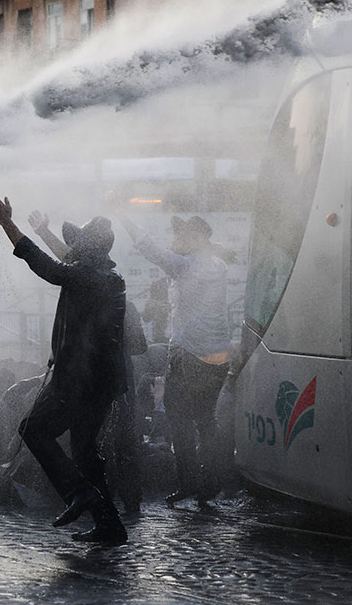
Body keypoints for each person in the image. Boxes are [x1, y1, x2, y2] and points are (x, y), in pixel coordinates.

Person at [0, 191, 128, 544]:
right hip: (101, 380)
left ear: (87, 250)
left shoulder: (86, 276)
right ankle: (109, 524)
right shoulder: (106, 275)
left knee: (32, 429)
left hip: (78, 378)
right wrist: (43, 232)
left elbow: (47, 267)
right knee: (84, 451)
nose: (72, 247)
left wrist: (7, 224)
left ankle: (78, 492)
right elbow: (66, 262)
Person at [122, 214, 233, 506]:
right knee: (206, 419)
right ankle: (212, 481)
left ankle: (189, 482)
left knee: (179, 419)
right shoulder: (217, 265)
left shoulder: (186, 266)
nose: (174, 241)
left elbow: (151, 250)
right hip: (218, 356)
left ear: (194, 239)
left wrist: (124, 216)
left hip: (189, 356)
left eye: (179, 235)